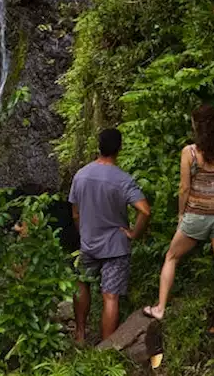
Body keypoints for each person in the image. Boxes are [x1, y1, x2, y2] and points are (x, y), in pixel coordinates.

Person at [142, 104, 214, 335]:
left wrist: (180, 213)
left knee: (171, 256)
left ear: (197, 126)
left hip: (196, 213)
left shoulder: (190, 153)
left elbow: (184, 187)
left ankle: (160, 308)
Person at [69, 127, 152, 343]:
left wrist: (83, 232)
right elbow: (144, 210)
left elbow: (75, 213)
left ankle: (79, 334)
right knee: (110, 296)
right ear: (119, 149)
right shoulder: (122, 179)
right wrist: (134, 233)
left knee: (81, 283)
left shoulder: (81, 175)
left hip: (88, 242)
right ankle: (106, 347)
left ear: (99, 147)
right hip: (115, 246)